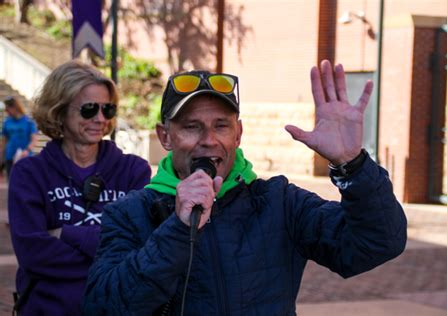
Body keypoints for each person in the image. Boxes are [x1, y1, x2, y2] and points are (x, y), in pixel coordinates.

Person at [83, 60, 407, 315]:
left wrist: (352, 164)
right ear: (165, 137)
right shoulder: (130, 213)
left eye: (220, 125)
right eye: (192, 127)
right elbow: (103, 306)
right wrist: (178, 230)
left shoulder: (279, 203)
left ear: (238, 135)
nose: (208, 141)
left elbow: (377, 243)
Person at [8, 60, 152, 315]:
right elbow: (33, 255)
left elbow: (137, 249)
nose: (100, 119)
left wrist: (65, 233)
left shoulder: (133, 171)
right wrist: (108, 253)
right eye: (88, 109)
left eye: (108, 109)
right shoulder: (29, 173)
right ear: (59, 111)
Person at [1, 96, 38, 179]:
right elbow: (4, 142)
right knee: (11, 183)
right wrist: (1, 158)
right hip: (10, 157)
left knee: (26, 184)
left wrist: (27, 150)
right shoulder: (7, 122)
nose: (7, 112)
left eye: (8, 109)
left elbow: (34, 140)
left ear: (15, 107)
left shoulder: (28, 121)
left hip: (25, 157)